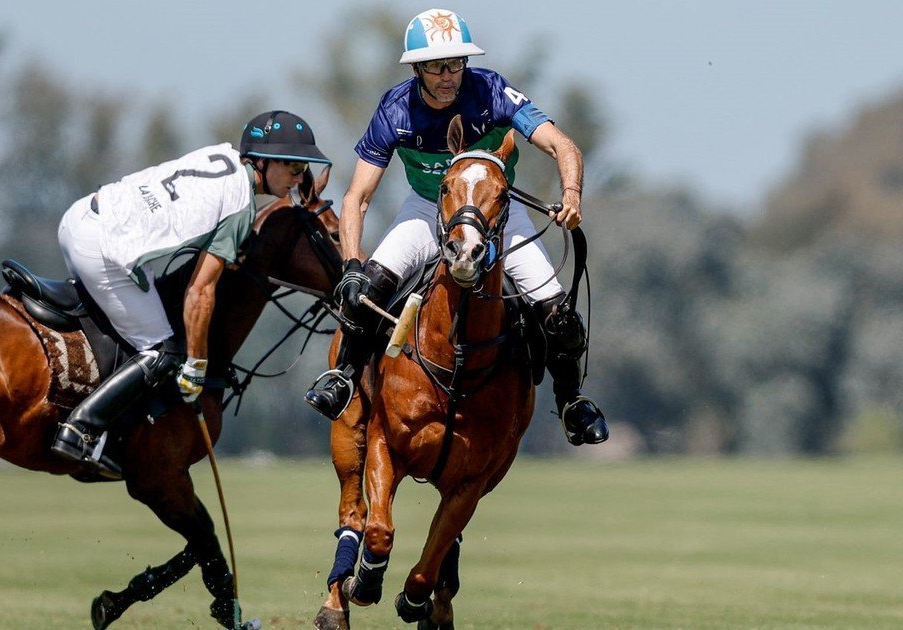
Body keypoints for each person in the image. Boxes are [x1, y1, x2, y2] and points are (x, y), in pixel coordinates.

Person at [303, 8, 608, 446]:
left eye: (456, 64)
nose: (448, 76)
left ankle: (571, 401)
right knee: (365, 294)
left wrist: (573, 195)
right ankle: (344, 376)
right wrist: (352, 261)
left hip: (496, 210)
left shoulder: (492, 90)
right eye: (436, 66)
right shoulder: (395, 110)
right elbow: (357, 197)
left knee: (559, 317)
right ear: (417, 68)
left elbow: (562, 145)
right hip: (428, 209)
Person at [53, 111, 332, 477]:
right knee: (162, 353)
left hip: (80, 219)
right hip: (103, 248)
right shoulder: (239, 207)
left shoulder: (222, 157)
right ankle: (81, 429)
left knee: (129, 327)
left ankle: (111, 428)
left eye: (303, 170)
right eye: (293, 167)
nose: (299, 177)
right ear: (261, 161)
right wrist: (196, 364)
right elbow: (200, 293)